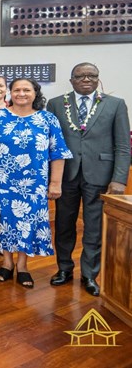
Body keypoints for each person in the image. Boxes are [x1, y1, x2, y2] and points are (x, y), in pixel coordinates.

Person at [0, 78, 72, 288]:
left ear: (35, 93)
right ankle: (6, 263)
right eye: (17, 90)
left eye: (26, 90)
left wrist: (55, 183)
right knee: (4, 222)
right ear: (10, 93)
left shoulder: (48, 119)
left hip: (34, 185)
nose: (21, 93)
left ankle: (22, 266)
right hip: (2, 182)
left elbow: (58, 153)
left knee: (27, 223)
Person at [46, 63, 130, 296]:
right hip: (65, 175)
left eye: (91, 75)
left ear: (98, 79)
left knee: (94, 227)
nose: (86, 79)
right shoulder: (55, 104)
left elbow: (123, 145)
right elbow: (49, 143)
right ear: (71, 80)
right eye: (80, 76)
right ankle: (64, 269)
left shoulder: (115, 105)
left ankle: (89, 275)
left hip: (101, 175)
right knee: (63, 224)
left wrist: (119, 179)